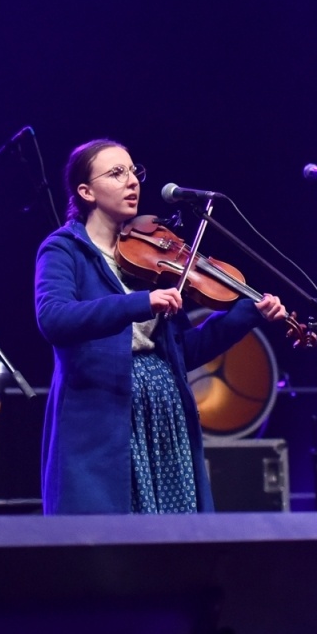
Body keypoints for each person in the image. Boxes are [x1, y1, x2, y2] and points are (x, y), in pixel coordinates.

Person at [33, 138, 287, 514]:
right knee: (112, 541)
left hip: (164, 411)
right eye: (116, 173)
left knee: (174, 536)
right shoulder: (64, 249)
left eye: (134, 171)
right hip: (103, 411)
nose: (132, 181)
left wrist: (247, 315)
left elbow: (187, 351)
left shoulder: (151, 252)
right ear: (85, 191)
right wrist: (139, 303)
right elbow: (53, 318)